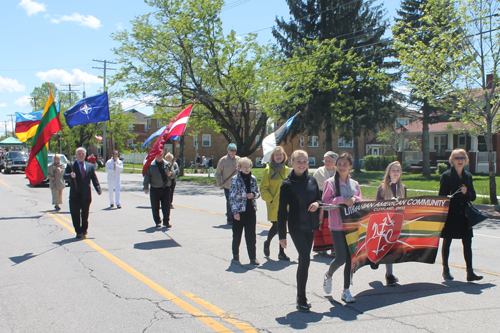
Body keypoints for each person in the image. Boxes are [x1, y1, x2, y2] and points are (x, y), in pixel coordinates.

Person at [278, 150, 321, 312]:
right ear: (292, 163)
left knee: (305, 260)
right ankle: (301, 297)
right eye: (299, 161)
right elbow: (281, 211)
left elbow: (319, 198)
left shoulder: (312, 180)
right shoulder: (287, 184)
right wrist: (282, 235)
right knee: (305, 258)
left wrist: (317, 203)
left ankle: (301, 296)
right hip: (296, 227)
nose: (302, 164)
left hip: (310, 225)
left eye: (305, 161)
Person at [322, 152, 361, 303]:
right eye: (339, 164)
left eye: (345, 164)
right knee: (341, 258)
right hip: (337, 225)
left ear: (350, 166)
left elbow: (360, 201)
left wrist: (354, 199)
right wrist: (342, 200)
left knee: (350, 259)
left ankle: (346, 290)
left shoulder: (355, 184)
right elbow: (325, 204)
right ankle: (328, 275)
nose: (342, 167)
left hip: (352, 225)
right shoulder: (330, 183)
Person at [438, 149, 483, 282]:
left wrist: (466, 192)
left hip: (464, 215)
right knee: (447, 241)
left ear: (466, 160)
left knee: (467, 242)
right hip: (450, 214)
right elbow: (441, 196)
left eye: (462, 158)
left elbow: (473, 196)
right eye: (457, 158)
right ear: (452, 160)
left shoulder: (468, 176)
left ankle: (470, 272)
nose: (460, 160)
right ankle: (445, 270)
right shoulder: (446, 176)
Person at [375, 161, 407, 286]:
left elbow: (406, 206)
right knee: (385, 247)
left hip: (397, 222)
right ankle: (376, 260)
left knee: (392, 249)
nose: (396, 173)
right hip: (384, 223)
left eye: (398, 170)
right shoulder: (382, 188)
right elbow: (376, 207)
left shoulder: (402, 187)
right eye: (393, 170)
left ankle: (389, 275)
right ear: (389, 173)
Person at [64, 147, 102, 239]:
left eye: (82, 154)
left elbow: (94, 178)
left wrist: (98, 189)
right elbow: (64, 176)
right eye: (79, 154)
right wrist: (70, 175)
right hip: (75, 194)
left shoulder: (90, 166)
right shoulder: (71, 166)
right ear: (76, 155)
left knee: (85, 214)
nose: (81, 155)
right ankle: (78, 231)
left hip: (86, 194)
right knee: (75, 214)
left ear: (85, 155)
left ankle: (84, 230)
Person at [260, 146, 290, 261]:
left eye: (281, 154)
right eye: (277, 154)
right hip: (275, 203)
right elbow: (263, 188)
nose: (279, 156)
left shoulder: (287, 169)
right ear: (273, 156)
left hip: (286, 204)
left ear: (284, 156)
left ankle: (281, 253)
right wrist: (271, 200)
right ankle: (267, 242)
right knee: (277, 226)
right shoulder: (268, 170)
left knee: (283, 227)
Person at [229, 157, 261, 266]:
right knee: (237, 234)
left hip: (250, 210)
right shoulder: (235, 179)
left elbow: (257, 193)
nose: (247, 169)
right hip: (239, 210)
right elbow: (232, 197)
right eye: (244, 167)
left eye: (248, 167)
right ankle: (235, 256)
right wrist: (235, 212)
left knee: (251, 235)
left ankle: (253, 257)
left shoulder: (253, 178)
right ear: (239, 168)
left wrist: (253, 195)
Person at [312, 151, 338, 256]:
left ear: (334, 161)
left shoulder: (338, 172)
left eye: (329, 160)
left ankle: (334, 248)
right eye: (326, 160)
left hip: (334, 200)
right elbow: (313, 185)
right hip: (321, 198)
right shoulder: (319, 172)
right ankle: (321, 247)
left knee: (333, 224)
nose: (327, 162)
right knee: (322, 224)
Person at [143, 153, 176, 228]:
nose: (159, 156)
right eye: (158, 154)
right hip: (155, 188)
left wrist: (170, 174)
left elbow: (173, 174)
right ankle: (157, 221)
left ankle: (166, 221)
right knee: (155, 206)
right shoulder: (151, 165)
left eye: (161, 154)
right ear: (155, 155)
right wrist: (146, 187)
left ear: (163, 155)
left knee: (166, 206)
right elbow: (147, 176)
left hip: (166, 188)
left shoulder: (168, 164)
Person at [215, 144, 240, 225]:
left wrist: (239, 169)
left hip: (238, 185)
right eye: (231, 150)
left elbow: (245, 169)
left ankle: (236, 217)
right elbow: (218, 173)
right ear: (228, 151)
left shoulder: (239, 160)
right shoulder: (223, 160)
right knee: (230, 202)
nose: (233, 152)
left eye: (234, 150)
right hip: (227, 185)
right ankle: (230, 219)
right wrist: (219, 182)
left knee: (237, 201)